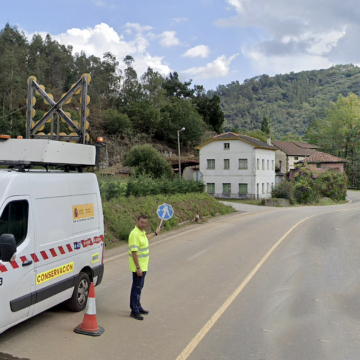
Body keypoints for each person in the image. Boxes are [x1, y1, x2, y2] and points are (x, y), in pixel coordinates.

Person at [128, 214, 161, 320]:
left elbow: (146, 238)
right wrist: (138, 268)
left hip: (143, 266)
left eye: (145, 223)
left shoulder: (141, 232)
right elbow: (134, 252)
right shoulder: (134, 234)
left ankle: (138, 305)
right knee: (136, 288)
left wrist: (155, 233)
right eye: (142, 222)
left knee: (139, 288)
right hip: (138, 267)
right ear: (137, 222)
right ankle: (134, 310)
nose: (143, 225)